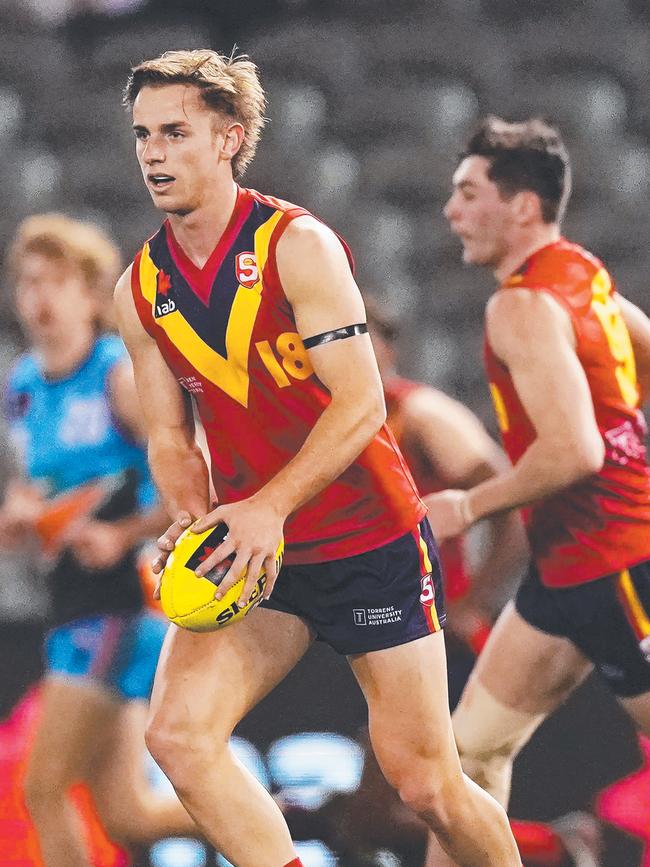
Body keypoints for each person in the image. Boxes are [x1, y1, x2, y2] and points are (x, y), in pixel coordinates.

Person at [115, 49, 522, 867]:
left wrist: (267, 505)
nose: (153, 153)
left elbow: (362, 403)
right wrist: (194, 516)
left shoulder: (297, 244)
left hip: (367, 538)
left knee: (425, 783)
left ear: (231, 138)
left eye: (175, 132)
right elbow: (168, 435)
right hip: (259, 555)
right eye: (142, 135)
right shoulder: (139, 287)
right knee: (178, 737)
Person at [425, 116, 650, 866]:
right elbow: (636, 359)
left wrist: (467, 506)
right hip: (565, 574)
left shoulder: (518, 305)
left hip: (620, 565)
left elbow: (576, 450)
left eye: (467, 193)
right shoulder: (583, 273)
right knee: (464, 759)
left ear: (522, 206)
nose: (451, 210)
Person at [2, 214, 197, 867]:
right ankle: (300, 820)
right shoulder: (24, 387)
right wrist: (23, 514)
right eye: (28, 282)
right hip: (73, 599)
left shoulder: (115, 373)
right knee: (126, 810)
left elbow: (185, 473)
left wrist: (123, 534)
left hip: (123, 600)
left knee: (43, 787)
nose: (40, 298)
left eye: (56, 282)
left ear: (91, 296)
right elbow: (44, 489)